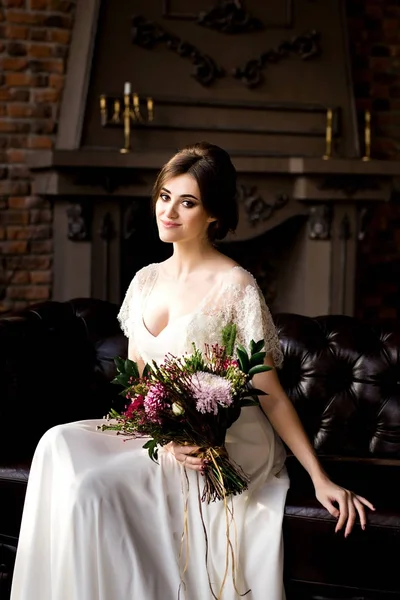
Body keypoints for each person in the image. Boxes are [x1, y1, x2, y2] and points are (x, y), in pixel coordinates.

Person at [10, 141, 374, 600]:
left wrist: (320, 479)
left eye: (188, 202)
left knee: (91, 491)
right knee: (56, 442)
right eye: (165, 196)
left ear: (214, 214)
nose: (170, 212)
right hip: (165, 432)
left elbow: (270, 392)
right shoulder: (145, 280)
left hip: (225, 442)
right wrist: (164, 437)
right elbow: (141, 385)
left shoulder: (235, 284)